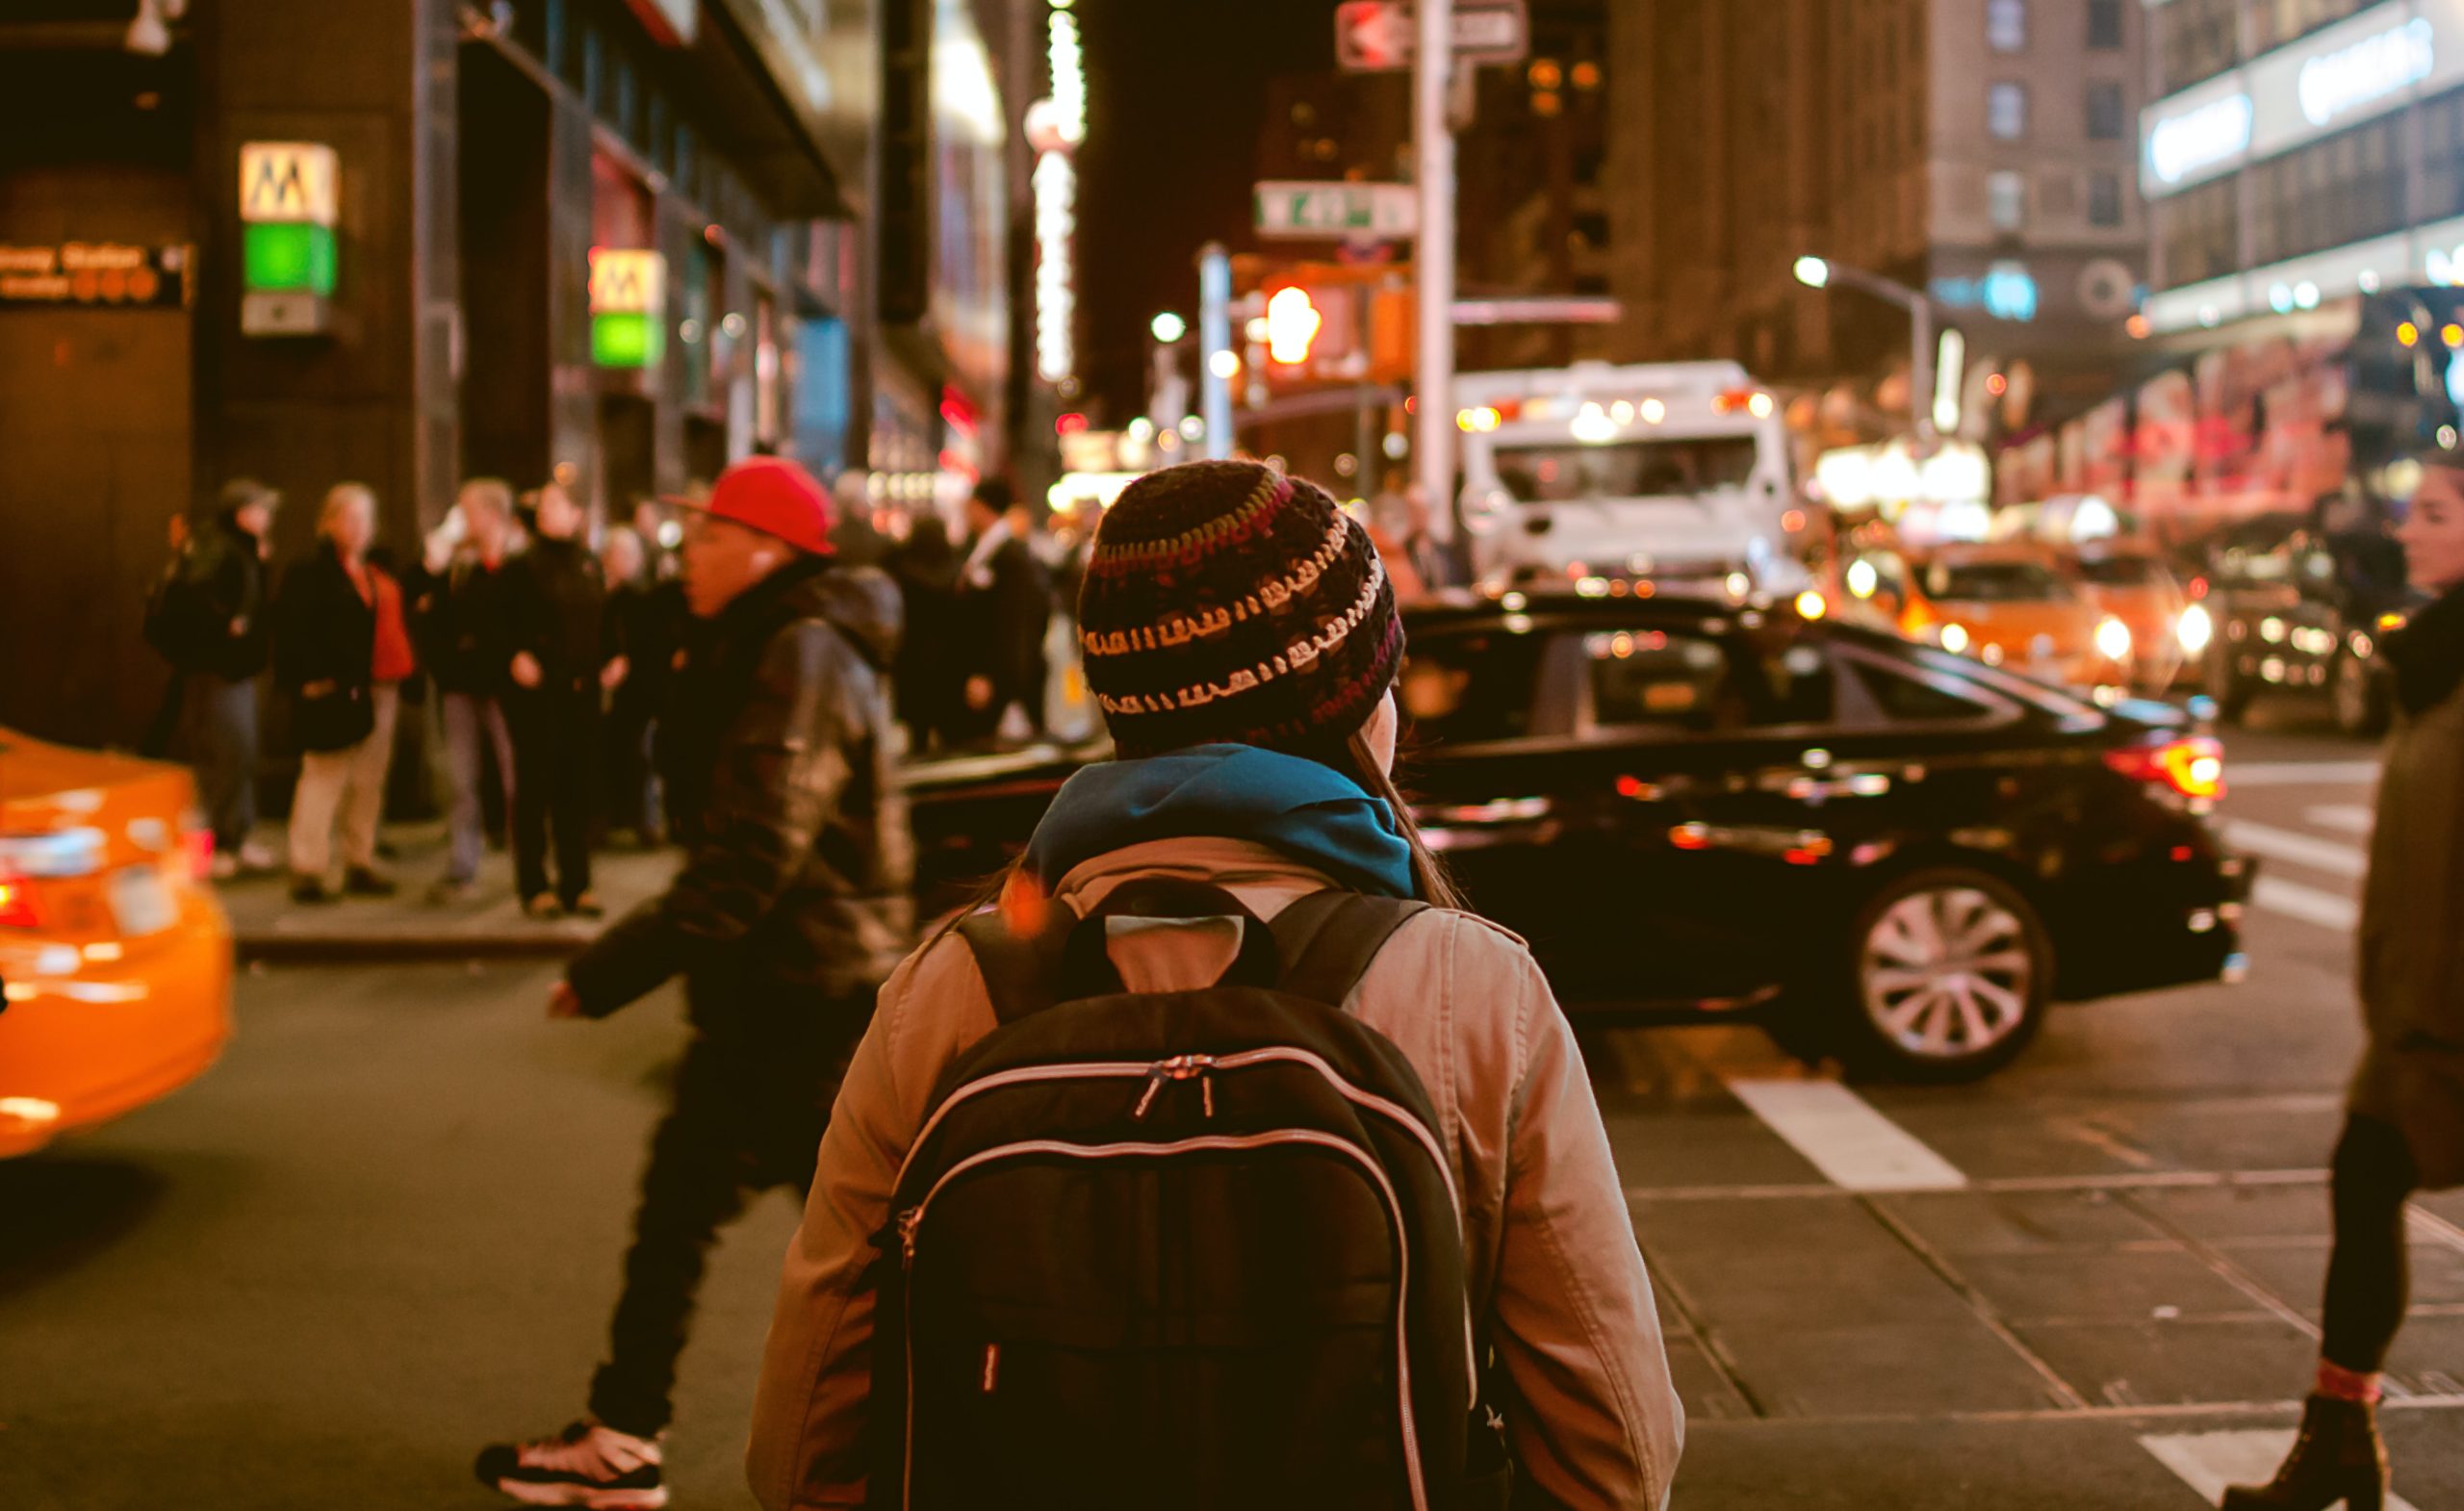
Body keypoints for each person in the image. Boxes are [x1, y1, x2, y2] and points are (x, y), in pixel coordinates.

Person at [743, 460, 1683, 1511]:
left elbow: (800, 1450)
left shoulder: (952, 987)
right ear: (1352, 707)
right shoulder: (1470, 986)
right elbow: (1616, 1451)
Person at [475, 455, 911, 1510]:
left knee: (862, 1248)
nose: (689, 556)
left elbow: (756, 848)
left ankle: (973, 1428)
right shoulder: (775, 640)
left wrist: (611, 964)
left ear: (765, 549)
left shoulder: (799, 649)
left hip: (798, 993)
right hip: (784, 986)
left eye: (710, 536)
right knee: (709, 1218)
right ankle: (623, 1433)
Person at [2223, 461, 2464, 1510]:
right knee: (2363, 1180)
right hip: (2416, 1012)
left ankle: (2338, 1439)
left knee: (2367, 1180)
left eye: (2436, 515)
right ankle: (2338, 1435)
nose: (2408, 530)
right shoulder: (2435, 663)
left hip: (2452, 1016)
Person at [147, 477, 280, 877]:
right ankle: (215, 846)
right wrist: (228, 624)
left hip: (233, 669)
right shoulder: (220, 548)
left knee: (238, 753)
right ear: (243, 513)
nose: (268, 517)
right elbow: (197, 598)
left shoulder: (240, 549)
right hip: (217, 669)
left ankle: (235, 836)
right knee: (223, 753)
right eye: (262, 509)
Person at [505, 481, 623, 919]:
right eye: (545, 505)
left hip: (582, 691)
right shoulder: (523, 566)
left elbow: (604, 619)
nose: (548, 511)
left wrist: (615, 656)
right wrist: (516, 655)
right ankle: (534, 884)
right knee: (536, 788)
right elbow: (503, 623)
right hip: (540, 694)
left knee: (577, 788)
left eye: (558, 505)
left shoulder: (588, 564)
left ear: (576, 516)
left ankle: (578, 882)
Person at [275, 484, 390, 905]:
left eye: (366, 520)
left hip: (360, 689)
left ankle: (357, 859)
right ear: (329, 522)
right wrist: (313, 679)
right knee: (322, 777)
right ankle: (307, 866)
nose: (360, 529)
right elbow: (292, 629)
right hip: (327, 689)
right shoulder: (310, 571)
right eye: (351, 519)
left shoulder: (366, 572)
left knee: (364, 782)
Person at [415, 479, 525, 904]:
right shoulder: (458, 564)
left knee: (517, 775)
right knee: (462, 779)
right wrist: (433, 570)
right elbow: (431, 615)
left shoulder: (517, 563)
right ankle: (463, 863)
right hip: (462, 684)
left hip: (504, 684)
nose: (461, 519)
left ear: (491, 514)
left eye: (468, 510)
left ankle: (526, 860)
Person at [601, 525, 686, 847]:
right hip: (623, 691)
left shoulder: (645, 596)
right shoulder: (607, 594)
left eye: (626, 555)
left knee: (645, 756)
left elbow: (649, 641)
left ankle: (646, 820)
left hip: (644, 689)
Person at [954, 478, 1052, 742]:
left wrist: (994, 678)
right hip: (989, 678)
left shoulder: (1010, 558)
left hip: (1000, 683)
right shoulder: (986, 550)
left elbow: (1015, 625)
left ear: (981, 507)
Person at [885, 513, 963, 753]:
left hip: (912, 661)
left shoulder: (901, 570)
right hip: (949, 662)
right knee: (950, 734)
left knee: (917, 733)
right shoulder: (956, 570)